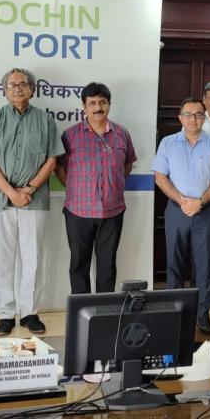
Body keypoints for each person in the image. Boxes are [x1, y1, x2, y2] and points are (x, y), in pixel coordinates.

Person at [0, 68, 64, 337]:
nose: (17, 88)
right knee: (3, 260)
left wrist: (30, 188)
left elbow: (52, 160)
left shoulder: (45, 120)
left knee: (32, 258)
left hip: (34, 200)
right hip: (1, 200)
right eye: (12, 85)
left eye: (22, 84)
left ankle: (29, 313)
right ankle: (5, 314)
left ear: (32, 89)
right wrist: (12, 193)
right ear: (5, 90)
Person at [151, 97, 210, 334]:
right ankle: (173, 313)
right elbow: (160, 177)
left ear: (203, 117)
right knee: (174, 264)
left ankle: (202, 315)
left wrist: (200, 202)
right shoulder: (168, 143)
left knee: (205, 266)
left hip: (206, 211)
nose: (193, 119)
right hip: (177, 210)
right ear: (180, 118)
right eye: (188, 114)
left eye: (198, 114)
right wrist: (182, 200)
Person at [55, 82, 137, 294]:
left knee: (107, 266)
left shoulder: (122, 134)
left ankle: (104, 310)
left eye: (102, 102)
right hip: (78, 211)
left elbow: (128, 164)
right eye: (92, 103)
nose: (98, 108)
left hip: (112, 211)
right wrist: (74, 189)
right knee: (78, 264)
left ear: (109, 104)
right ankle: (82, 310)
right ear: (84, 106)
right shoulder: (70, 135)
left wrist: (113, 185)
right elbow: (59, 168)